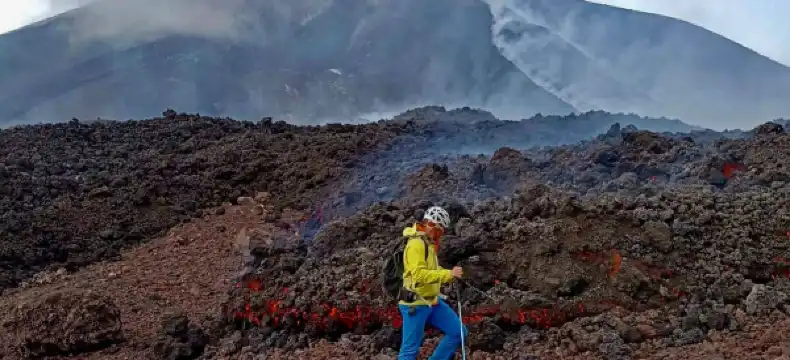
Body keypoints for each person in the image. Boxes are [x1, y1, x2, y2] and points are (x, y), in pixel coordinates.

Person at [398, 206, 467, 360]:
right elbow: (418, 275)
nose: (441, 234)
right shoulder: (416, 244)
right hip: (415, 304)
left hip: (432, 301)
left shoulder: (428, 243)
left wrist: (450, 274)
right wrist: (447, 274)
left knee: (458, 332)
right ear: (433, 225)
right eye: (441, 230)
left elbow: (432, 269)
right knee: (409, 351)